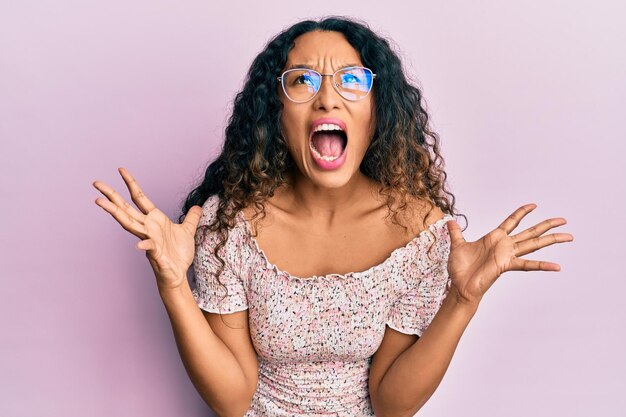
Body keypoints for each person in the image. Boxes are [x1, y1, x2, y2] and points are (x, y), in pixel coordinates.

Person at [92, 17, 573, 417]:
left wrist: (462, 300)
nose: (327, 97)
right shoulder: (228, 225)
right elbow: (232, 400)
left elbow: (392, 404)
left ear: (377, 110)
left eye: (351, 79)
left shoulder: (421, 232)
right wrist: (174, 285)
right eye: (302, 80)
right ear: (276, 112)